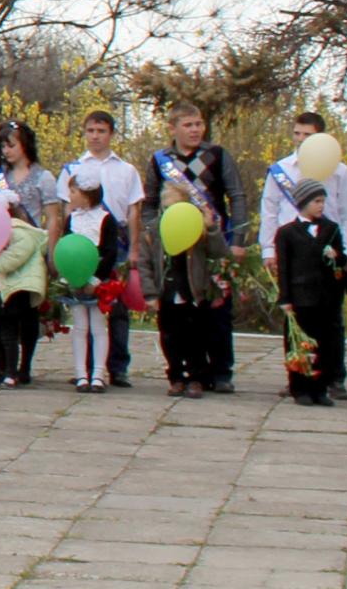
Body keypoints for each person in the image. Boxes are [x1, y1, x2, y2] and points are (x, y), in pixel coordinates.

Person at [261, 110, 347, 400]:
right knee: (296, 319)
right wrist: (269, 249)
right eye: (297, 133)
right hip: (293, 251)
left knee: (331, 320)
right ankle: (299, 374)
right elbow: (269, 210)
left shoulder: (340, 171)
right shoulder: (281, 169)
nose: (300, 139)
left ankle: (333, 377)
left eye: (307, 135)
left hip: (330, 254)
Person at [148, 104, 239, 392]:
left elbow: (236, 195)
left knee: (217, 311)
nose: (196, 130)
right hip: (176, 244)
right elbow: (150, 202)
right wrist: (153, 233)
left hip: (212, 241)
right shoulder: (161, 160)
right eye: (188, 125)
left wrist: (237, 240)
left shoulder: (217, 155)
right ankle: (188, 372)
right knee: (182, 316)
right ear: (173, 128)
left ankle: (221, 371)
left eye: (199, 124)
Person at [59, 110, 144, 389]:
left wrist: (133, 249)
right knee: (82, 314)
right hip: (79, 244)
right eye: (91, 130)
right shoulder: (72, 169)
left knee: (115, 309)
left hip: (113, 242)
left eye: (101, 131)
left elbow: (133, 212)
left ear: (111, 134)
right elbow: (65, 211)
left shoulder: (126, 169)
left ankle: (116, 367)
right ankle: (83, 368)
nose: (95, 136)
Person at [0, 124, 64, 389]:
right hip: (0, 250)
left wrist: (50, 252)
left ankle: (24, 365)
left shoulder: (44, 178)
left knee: (26, 311)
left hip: (30, 249)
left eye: (12, 145)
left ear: (25, 144)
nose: (7, 151)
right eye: (3, 146)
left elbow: (52, 218)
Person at [273, 176, 347, 407]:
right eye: (316, 201)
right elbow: (284, 268)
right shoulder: (287, 233)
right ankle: (300, 387)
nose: (321, 205)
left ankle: (321, 388)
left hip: (326, 297)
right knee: (299, 344)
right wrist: (285, 298)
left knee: (325, 343)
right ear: (303, 202)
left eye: (322, 201)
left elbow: (343, 260)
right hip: (299, 297)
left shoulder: (331, 229)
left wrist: (336, 257)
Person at [153, 181, 231, 398]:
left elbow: (219, 252)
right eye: (167, 207)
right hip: (167, 291)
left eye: (176, 207)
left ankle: (197, 378)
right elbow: (146, 261)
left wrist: (212, 228)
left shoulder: (197, 227)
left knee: (197, 337)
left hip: (194, 291)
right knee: (170, 337)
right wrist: (150, 293)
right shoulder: (155, 228)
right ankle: (176, 376)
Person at [62, 174, 115, 393]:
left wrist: (96, 278)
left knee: (98, 327)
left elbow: (110, 251)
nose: (70, 196)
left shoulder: (105, 219)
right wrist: (71, 275)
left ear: (86, 195)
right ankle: (80, 373)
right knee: (79, 327)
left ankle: (98, 373)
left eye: (73, 192)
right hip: (75, 278)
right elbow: (66, 248)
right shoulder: (72, 219)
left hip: (97, 280)